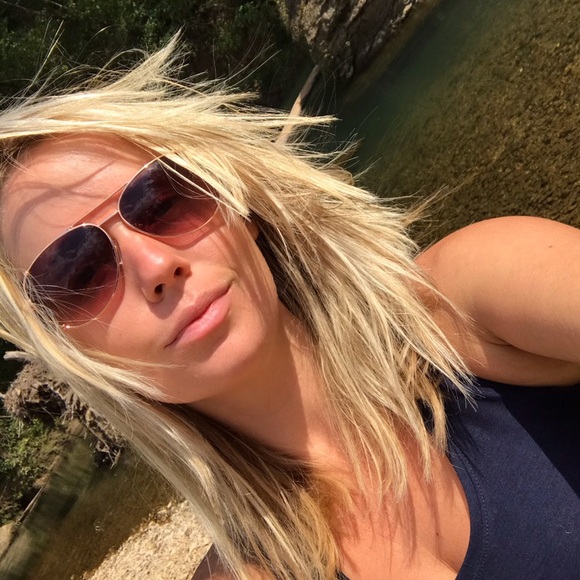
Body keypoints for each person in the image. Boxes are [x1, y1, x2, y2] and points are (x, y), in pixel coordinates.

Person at [0, 41, 579, 579]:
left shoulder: (471, 300)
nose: (156, 266)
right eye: (78, 272)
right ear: (72, 352)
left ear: (236, 203)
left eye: (163, 198)